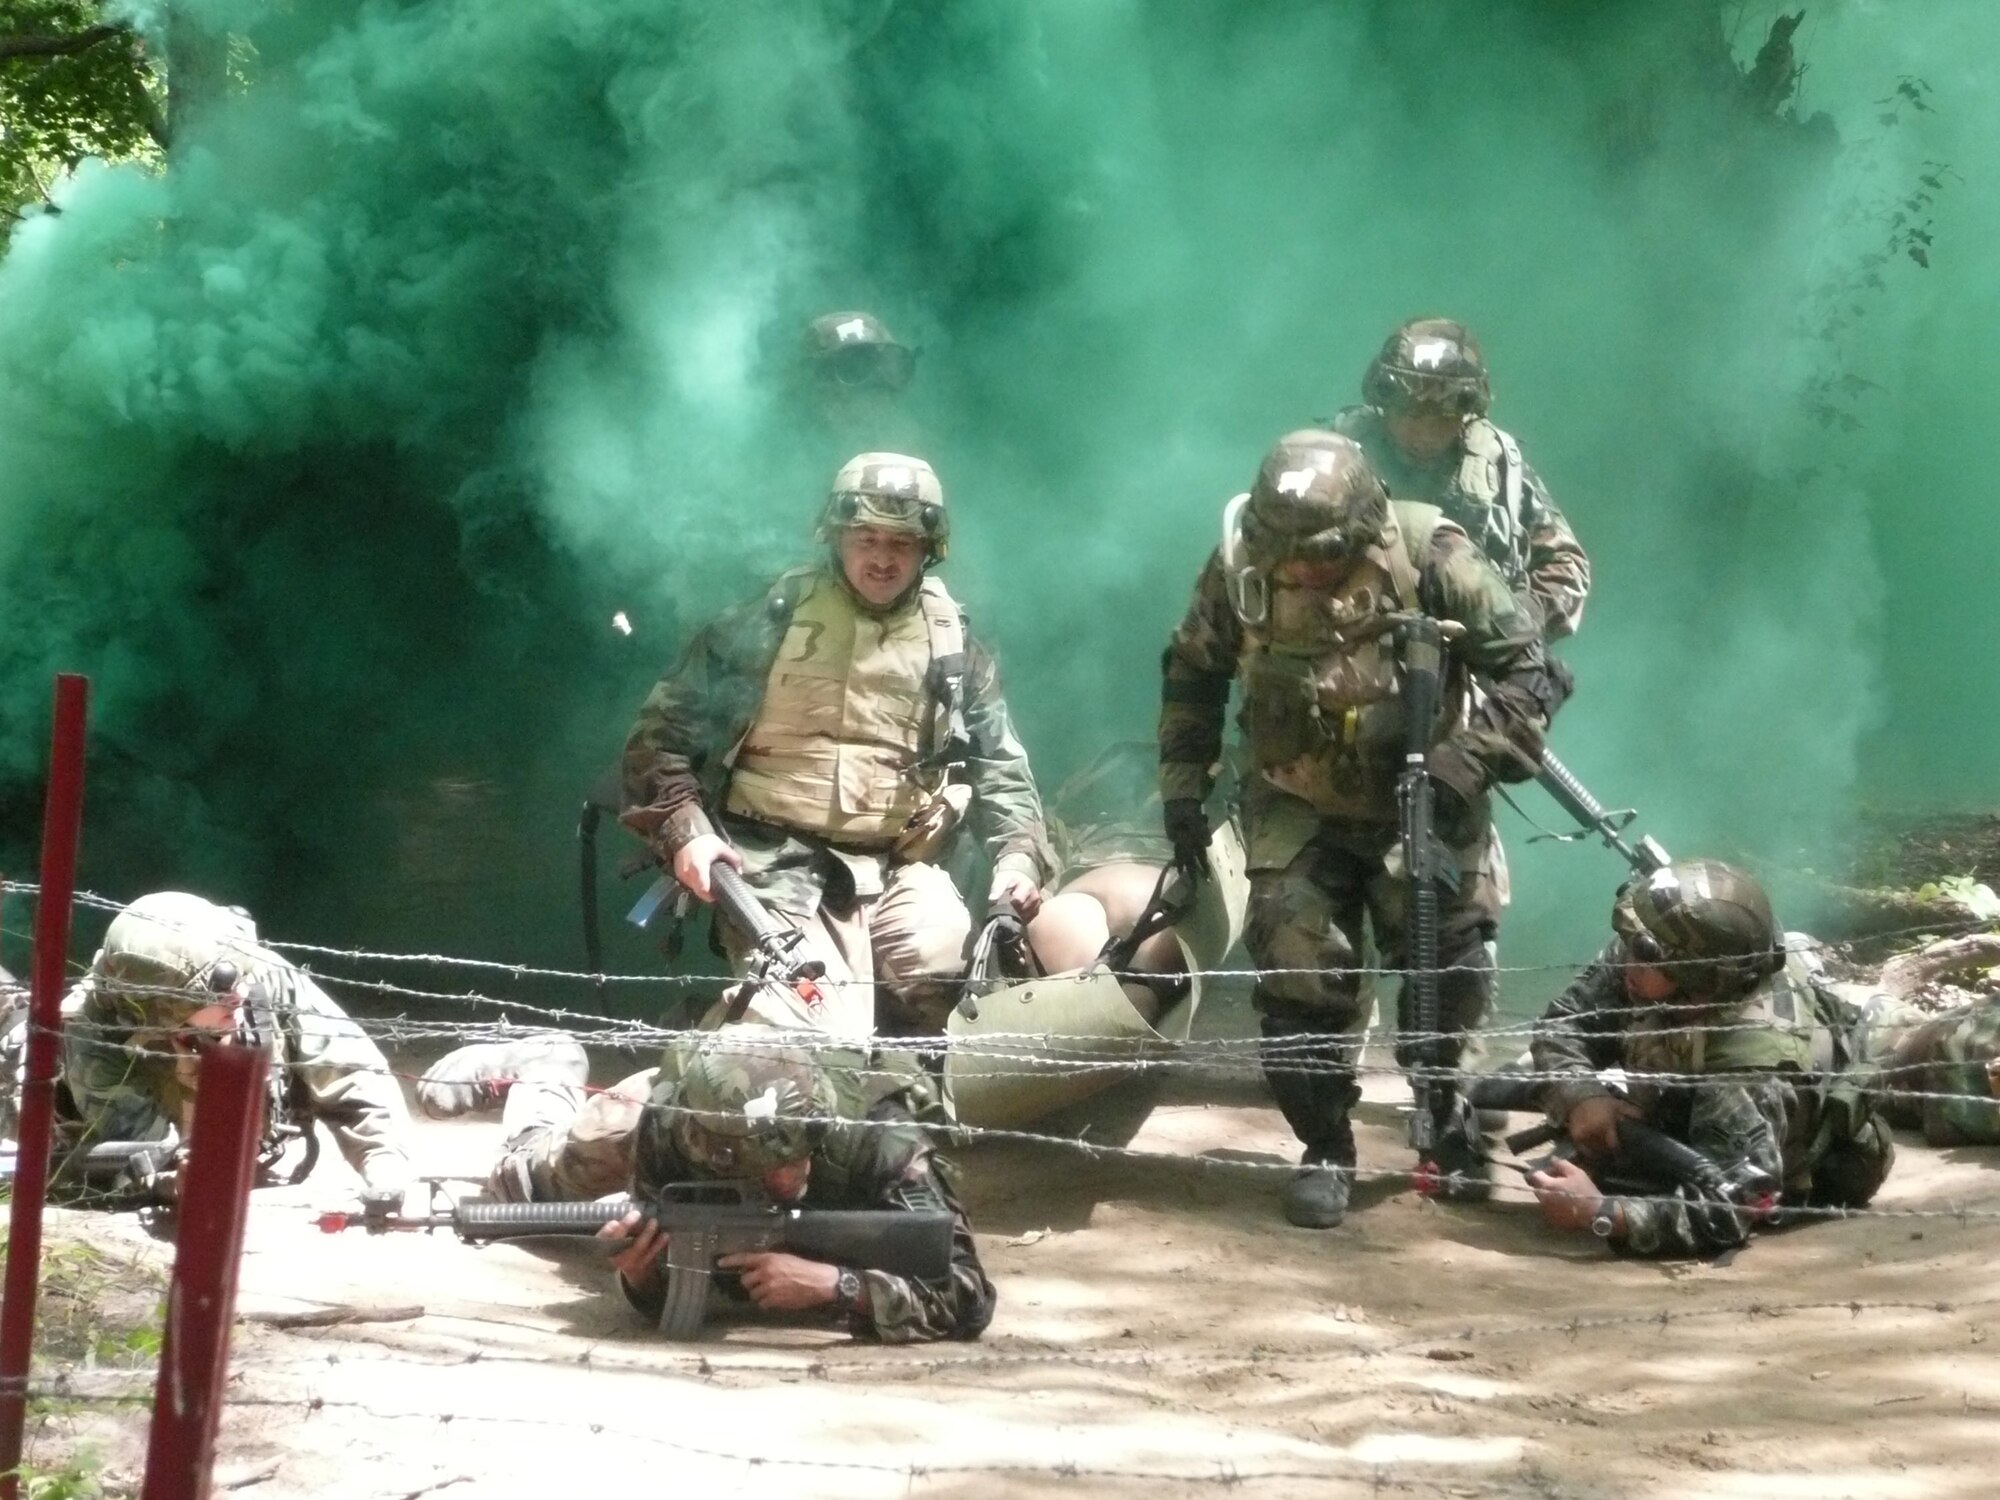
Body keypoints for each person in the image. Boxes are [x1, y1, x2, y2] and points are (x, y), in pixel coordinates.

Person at [1159, 429, 1561, 1227]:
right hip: (1293, 803)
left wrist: (1467, 762)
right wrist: (1182, 795)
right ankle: (1326, 1144)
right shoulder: (1242, 567)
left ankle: (1445, 1118)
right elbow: (1194, 671)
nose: (1304, 567)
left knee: (1449, 966)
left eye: (1325, 551)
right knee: (1298, 969)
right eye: (1288, 551)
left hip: (1427, 795)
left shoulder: (1429, 553)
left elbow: (1531, 668)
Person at [620, 452, 1053, 1037]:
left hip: (898, 864)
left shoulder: (954, 641)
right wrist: (687, 835)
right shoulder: (769, 618)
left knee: (952, 995)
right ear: (836, 537)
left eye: (901, 542)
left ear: (929, 550)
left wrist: (1018, 860)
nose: (881, 558)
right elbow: (659, 739)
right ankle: (720, 1033)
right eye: (866, 538)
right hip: (771, 865)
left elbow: (1001, 768)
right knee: (815, 1028)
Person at [417, 1029, 995, 1343]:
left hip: (755, 1093)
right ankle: (544, 1065)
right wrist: (644, 1277)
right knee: (520, 1181)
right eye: (761, 1169)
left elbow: (968, 1293)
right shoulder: (673, 1131)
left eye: (793, 1158)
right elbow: (680, 1289)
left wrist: (840, 1286)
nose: (784, 1179)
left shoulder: (880, 1139)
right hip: (657, 1107)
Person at [1525, 860, 1893, 1256]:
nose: (1628, 959)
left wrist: (1603, 1212)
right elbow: (1563, 1024)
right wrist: (1582, 1096)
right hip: (1685, 1112)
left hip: (1789, 1164)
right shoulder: (1662, 955)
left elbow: (1727, 1210)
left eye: (1645, 954)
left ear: (1701, 980)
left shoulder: (1746, 1066)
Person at [40, 891, 413, 1208]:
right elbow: (145, 1155)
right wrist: (177, 1178)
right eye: (219, 994)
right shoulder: (99, 1039)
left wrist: (383, 1164)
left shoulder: (250, 971)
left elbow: (350, 1073)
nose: (241, 996)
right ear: (161, 1006)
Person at [1331, 317, 1590, 642]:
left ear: (1466, 412)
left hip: (1470, 652)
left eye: (1441, 416)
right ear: (1384, 400)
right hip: (1355, 641)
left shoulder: (1495, 466)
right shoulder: (1340, 456)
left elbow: (1567, 564)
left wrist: (1518, 620)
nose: (1423, 431)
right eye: (1410, 412)